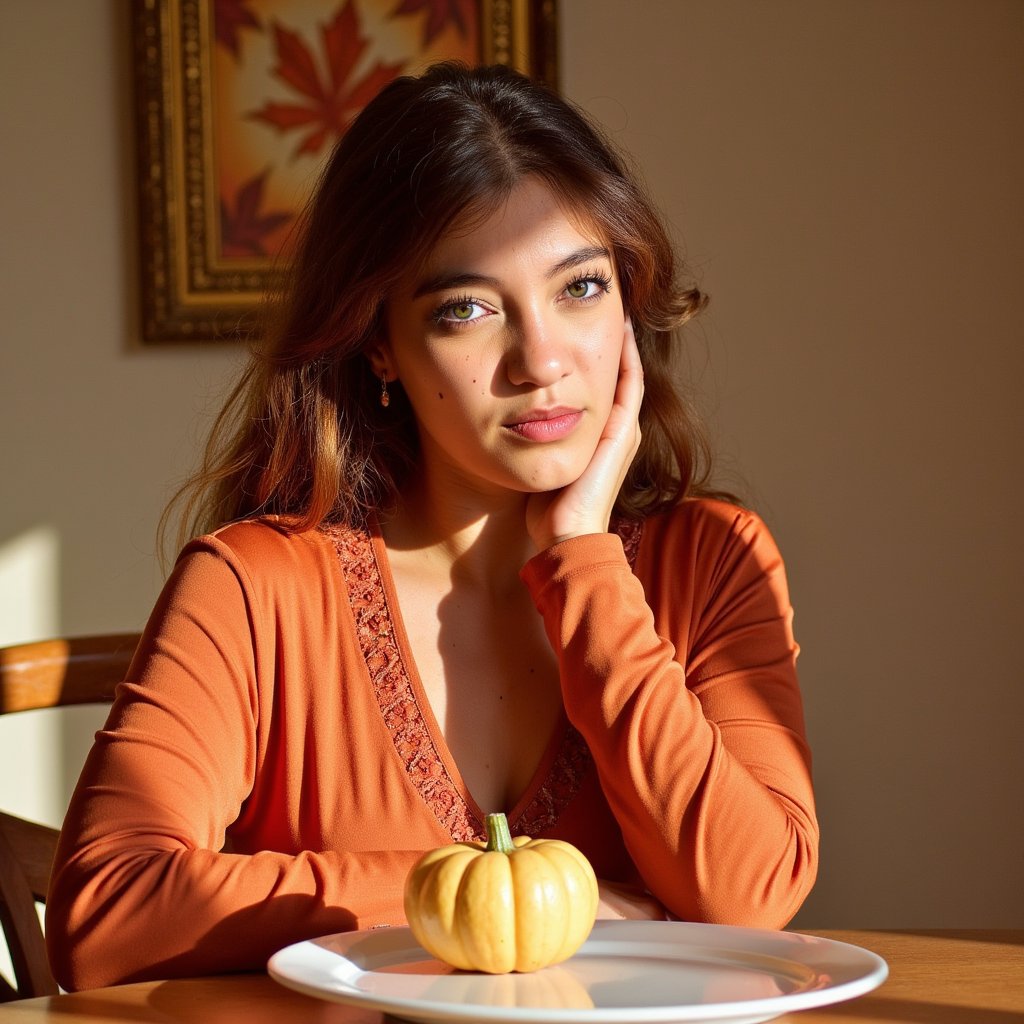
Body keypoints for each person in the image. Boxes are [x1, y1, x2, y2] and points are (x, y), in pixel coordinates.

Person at [46, 62, 818, 991]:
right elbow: (102, 917)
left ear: (630, 299)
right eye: (468, 310)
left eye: (580, 289)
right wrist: (487, 901)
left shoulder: (715, 559)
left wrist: (584, 557)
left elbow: (753, 891)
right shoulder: (255, 586)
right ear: (379, 342)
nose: (542, 361)